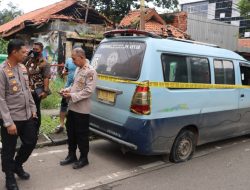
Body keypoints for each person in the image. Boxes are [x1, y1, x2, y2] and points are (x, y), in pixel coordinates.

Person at [0, 39, 38, 190]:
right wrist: (8, 122)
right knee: (8, 150)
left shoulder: (22, 68)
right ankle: (9, 177)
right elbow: (0, 98)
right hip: (12, 118)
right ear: (14, 52)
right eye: (23, 52)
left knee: (30, 141)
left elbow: (27, 90)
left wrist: (33, 109)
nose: (26, 54)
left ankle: (17, 165)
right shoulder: (2, 71)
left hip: (27, 115)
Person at [59, 47, 97, 169]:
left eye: (74, 59)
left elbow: (88, 91)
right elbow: (75, 86)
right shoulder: (78, 69)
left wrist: (71, 95)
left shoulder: (90, 71)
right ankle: (71, 155)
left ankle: (84, 158)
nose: (73, 61)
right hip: (73, 108)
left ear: (81, 57)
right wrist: (66, 90)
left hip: (82, 110)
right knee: (71, 133)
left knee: (82, 135)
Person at [23, 42, 50, 128]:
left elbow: (46, 78)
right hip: (27, 88)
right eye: (33, 49)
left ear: (41, 50)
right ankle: (28, 127)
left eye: (36, 49)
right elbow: (21, 63)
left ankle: (36, 128)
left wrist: (45, 91)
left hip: (37, 90)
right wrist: (28, 54)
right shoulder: (29, 59)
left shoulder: (45, 63)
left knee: (36, 109)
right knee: (27, 108)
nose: (34, 51)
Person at [54, 57, 77, 134]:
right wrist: (64, 72)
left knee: (72, 107)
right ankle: (61, 124)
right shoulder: (69, 60)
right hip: (67, 87)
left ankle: (70, 126)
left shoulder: (83, 62)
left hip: (76, 88)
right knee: (63, 105)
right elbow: (65, 70)